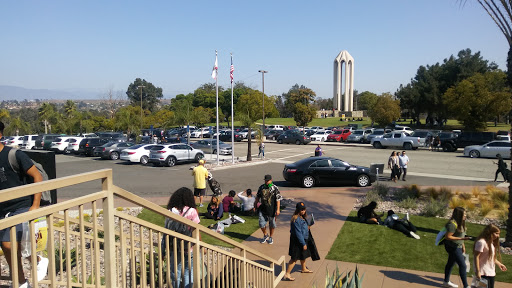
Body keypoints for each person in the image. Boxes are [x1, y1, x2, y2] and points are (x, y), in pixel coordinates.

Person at [0, 121, 46, 288]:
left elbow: (37, 177)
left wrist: (35, 205)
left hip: (21, 205)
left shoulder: (13, 154)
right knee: (8, 249)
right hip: (2, 209)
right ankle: (20, 283)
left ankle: (39, 260)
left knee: (10, 244)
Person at [165, 187, 200, 288]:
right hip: (189, 246)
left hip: (175, 246)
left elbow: (166, 229)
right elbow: (196, 230)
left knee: (176, 270)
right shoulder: (192, 211)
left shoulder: (171, 211)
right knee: (189, 272)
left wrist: (164, 248)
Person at [442, 207, 472, 288]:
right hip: (453, 247)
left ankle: (446, 282)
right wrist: (462, 239)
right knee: (463, 265)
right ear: (459, 215)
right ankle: (466, 286)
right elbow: (448, 237)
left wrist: (463, 245)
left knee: (450, 263)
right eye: (464, 214)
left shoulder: (461, 223)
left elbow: (460, 235)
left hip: (457, 246)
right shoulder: (452, 224)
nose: (466, 215)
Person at [283, 202, 313, 281]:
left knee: (303, 255)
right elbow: (298, 233)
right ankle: (287, 274)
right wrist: (303, 243)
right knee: (294, 257)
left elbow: (305, 228)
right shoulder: (296, 219)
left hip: (303, 239)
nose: (303, 211)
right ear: (298, 210)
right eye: (301, 210)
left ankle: (303, 268)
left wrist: (309, 224)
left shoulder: (303, 217)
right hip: (298, 241)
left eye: (304, 209)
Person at [473, 224, 507, 288]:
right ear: (490, 232)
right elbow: (476, 256)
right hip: (483, 272)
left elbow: (491, 257)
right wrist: (478, 271)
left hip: (491, 272)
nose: (498, 236)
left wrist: (499, 264)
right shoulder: (481, 242)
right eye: (496, 233)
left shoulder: (491, 243)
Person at [254, 174, 283, 245]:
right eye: (265, 180)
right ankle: (265, 234)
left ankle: (271, 237)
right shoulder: (261, 187)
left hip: (271, 210)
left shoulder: (275, 188)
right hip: (262, 209)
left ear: (271, 180)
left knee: (272, 225)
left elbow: (278, 199)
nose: (266, 182)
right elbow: (257, 197)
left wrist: (278, 209)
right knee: (261, 224)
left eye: (268, 180)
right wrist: (255, 205)